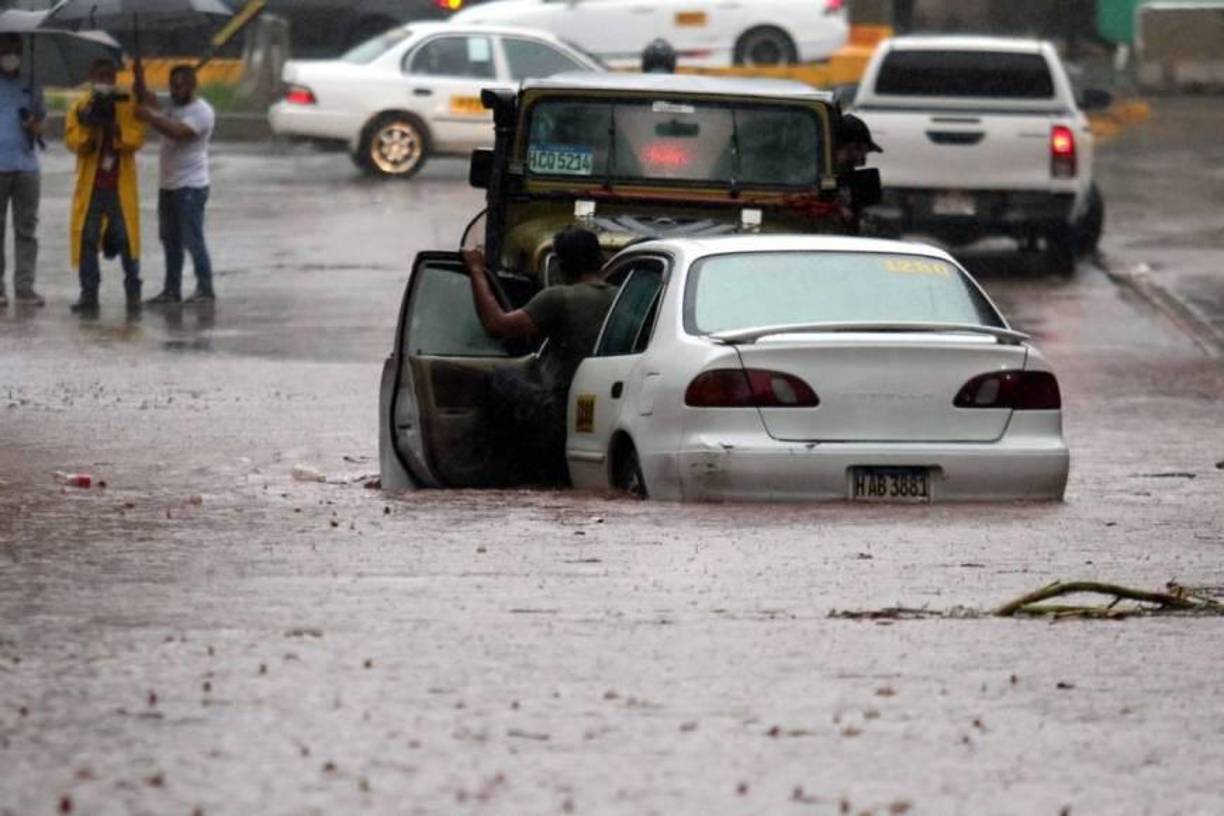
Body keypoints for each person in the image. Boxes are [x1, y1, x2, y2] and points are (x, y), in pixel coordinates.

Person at [462, 226, 616, 484]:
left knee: (498, 379)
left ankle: (501, 474)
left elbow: (497, 325)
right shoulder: (623, 298)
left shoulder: (559, 298)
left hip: (561, 414)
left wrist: (476, 270)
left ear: (560, 267)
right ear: (600, 259)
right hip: (606, 412)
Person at [65, 58, 146, 314]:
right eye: (100, 75)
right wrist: (90, 128)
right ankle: (89, 294)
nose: (105, 80)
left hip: (120, 185)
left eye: (110, 76)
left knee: (126, 238)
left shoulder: (127, 102)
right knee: (87, 238)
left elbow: (137, 138)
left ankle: (133, 291)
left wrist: (114, 128)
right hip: (91, 186)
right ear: (91, 76)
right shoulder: (81, 105)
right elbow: (74, 142)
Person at [140, 64, 216, 305]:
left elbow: (177, 132)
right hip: (168, 185)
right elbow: (146, 97)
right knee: (170, 241)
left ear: (193, 86)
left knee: (193, 239)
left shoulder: (202, 112)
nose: (175, 91)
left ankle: (205, 289)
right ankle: (171, 290)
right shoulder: (171, 104)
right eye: (172, 86)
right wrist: (139, 76)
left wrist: (150, 117)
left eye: (180, 86)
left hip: (191, 187)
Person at [0, 33, 45, 308]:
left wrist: (33, 125)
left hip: (27, 166)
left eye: (15, 51)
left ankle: (25, 287)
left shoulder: (32, 84)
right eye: (5, 51)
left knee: (27, 229)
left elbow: (41, 125)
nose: (10, 56)